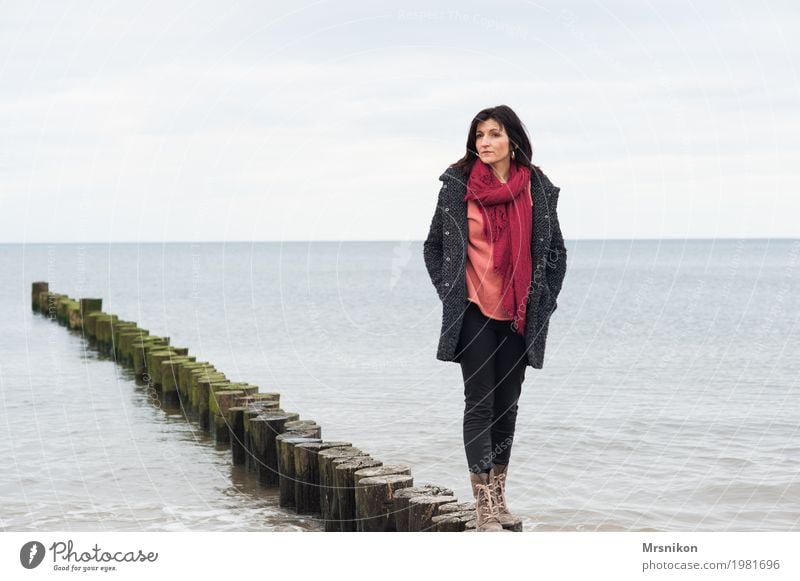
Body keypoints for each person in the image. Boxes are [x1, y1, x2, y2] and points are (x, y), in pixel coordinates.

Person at [423, 105, 567, 531]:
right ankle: (483, 506)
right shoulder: (457, 186)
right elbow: (433, 246)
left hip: (521, 313)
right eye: (479, 135)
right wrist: (452, 292)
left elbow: (555, 253)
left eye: (494, 134)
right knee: (479, 404)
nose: (485, 142)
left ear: (513, 140)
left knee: (508, 407)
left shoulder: (536, 187)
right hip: (473, 310)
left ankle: (500, 500)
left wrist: (545, 301)